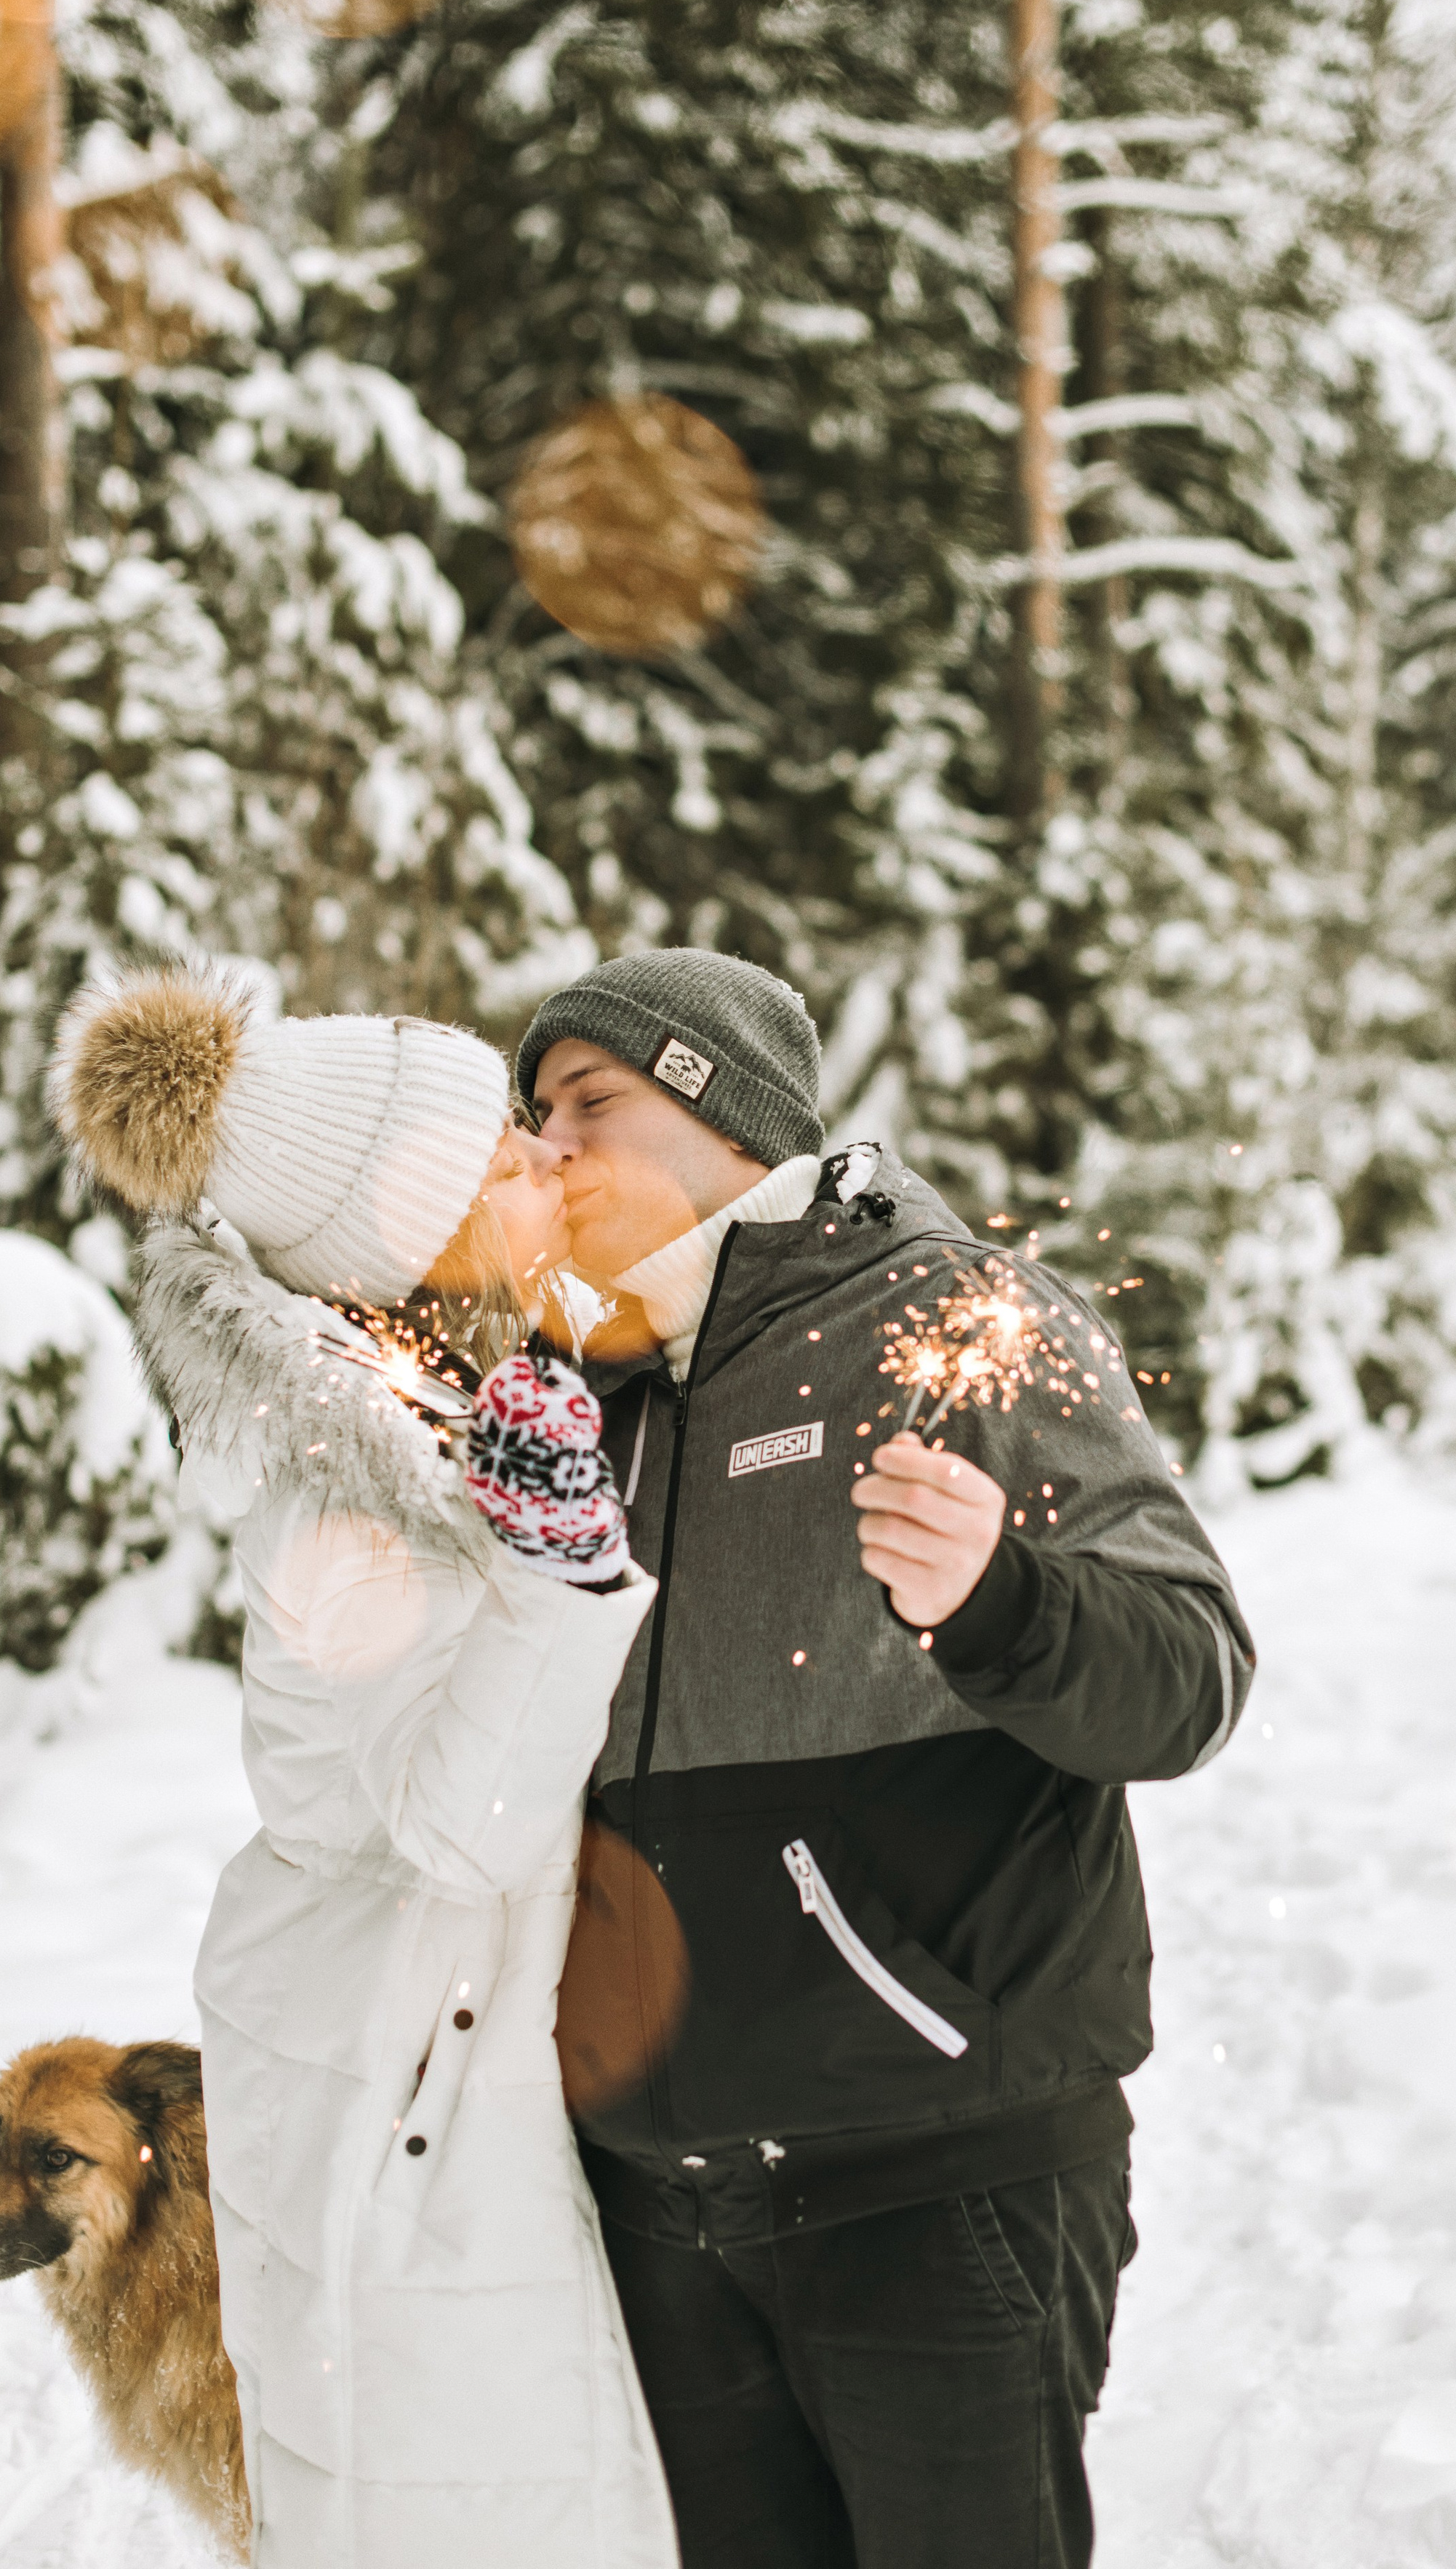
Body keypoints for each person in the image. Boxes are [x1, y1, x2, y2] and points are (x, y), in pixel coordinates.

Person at [519, 948, 1256, 2569]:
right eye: (534, 1115)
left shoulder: (953, 1319)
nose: (546, 1146)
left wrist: (1001, 1601)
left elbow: (1192, 1677)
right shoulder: (575, 1402)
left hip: (936, 2177)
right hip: (658, 2206)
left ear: (723, 1112)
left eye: (588, 1101)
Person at [49, 964, 679, 2569]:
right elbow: (459, 1828)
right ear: (417, 1235)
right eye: (504, 1153)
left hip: (407, 2064)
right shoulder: (356, 1497)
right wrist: (566, 1578)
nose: (546, 1157)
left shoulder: (438, 1421)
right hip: (404, 2108)